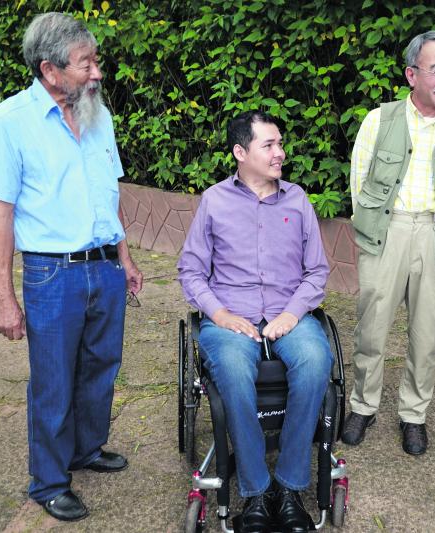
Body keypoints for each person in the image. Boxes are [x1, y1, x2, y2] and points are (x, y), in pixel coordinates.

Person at [0, 12, 143, 522]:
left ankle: (84, 450)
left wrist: (125, 257)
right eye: (85, 63)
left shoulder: (98, 114)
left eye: (96, 60)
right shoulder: (9, 123)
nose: (97, 73)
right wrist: (4, 297)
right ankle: (48, 482)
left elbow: (106, 196)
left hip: (104, 268)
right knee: (52, 381)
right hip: (52, 274)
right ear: (50, 70)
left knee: (100, 370)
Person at [178, 111, 332, 533]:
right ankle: (255, 490)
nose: (280, 152)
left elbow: (316, 271)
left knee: (317, 362)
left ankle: (289, 485)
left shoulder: (297, 199)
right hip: (231, 312)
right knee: (229, 368)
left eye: (280, 143)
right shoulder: (214, 201)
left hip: (288, 310)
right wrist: (221, 314)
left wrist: (290, 314)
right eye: (269, 145)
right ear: (240, 152)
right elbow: (191, 270)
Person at [344, 30, 435, 455]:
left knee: (428, 332)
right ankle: (363, 406)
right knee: (372, 326)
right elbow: (358, 183)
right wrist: (377, 228)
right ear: (411, 74)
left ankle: (413, 415)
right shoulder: (378, 120)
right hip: (388, 230)